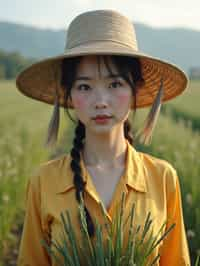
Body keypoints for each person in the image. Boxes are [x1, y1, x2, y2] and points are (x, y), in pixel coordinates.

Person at [16, 9, 191, 266]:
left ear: (135, 90)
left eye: (115, 84)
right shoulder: (43, 181)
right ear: (69, 95)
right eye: (84, 86)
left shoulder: (163, 178)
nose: (100, 102)